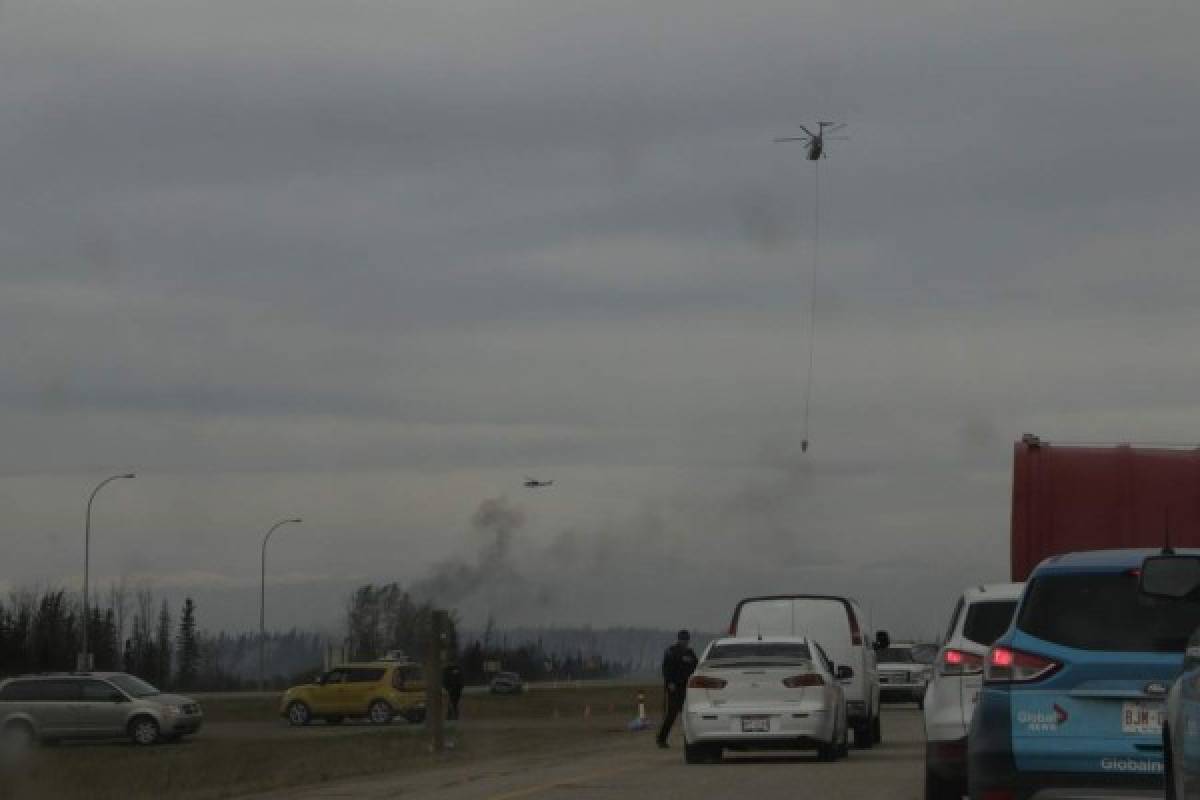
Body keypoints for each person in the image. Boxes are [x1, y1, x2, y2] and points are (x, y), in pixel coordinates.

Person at [656, 629, 698, 748]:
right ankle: (661, 738)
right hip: (674, 687)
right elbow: (666, 669)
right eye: (683, 639)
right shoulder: (671, 651)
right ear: (678, 639)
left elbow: (696, 667)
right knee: (671, 715)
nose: (684, 642)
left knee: (688, 715)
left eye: (686, 640)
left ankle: (691, 741)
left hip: (688, 688)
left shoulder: (690, 653)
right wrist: (670, 683)